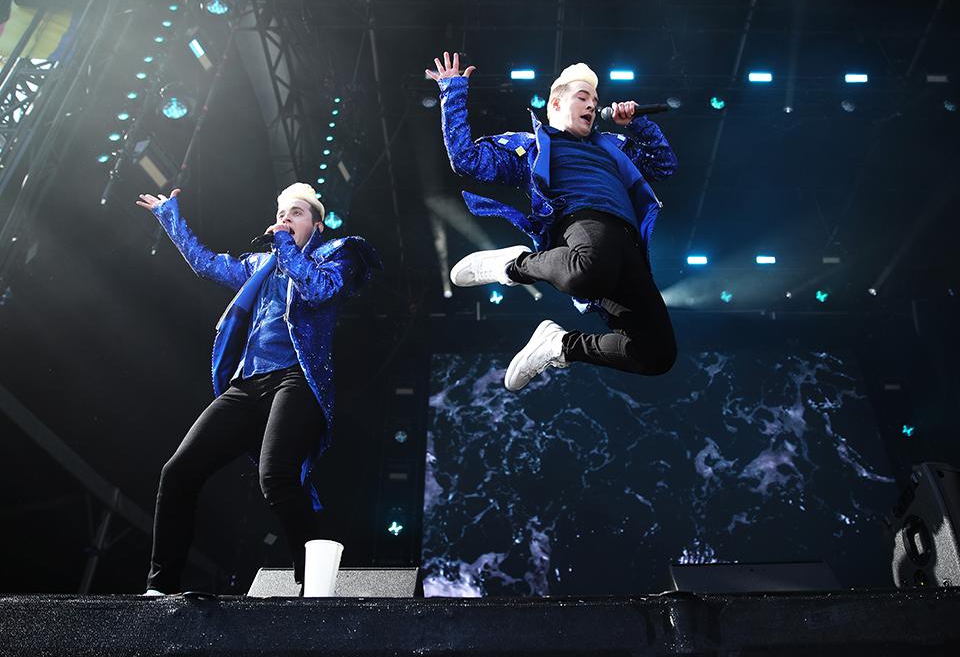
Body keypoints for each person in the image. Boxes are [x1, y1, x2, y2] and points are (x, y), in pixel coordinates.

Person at [134, 183, 381, 594]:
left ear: (317, 225)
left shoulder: (338, 255)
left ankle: (314, 583)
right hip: (248, 382)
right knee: (177, 473)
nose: (286, 218)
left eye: (297, 213)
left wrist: (284, 245)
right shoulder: (259, 265)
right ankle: (161, 586)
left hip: (297, 377)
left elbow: (316, 289)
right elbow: (206, 264)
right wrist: (169, 217)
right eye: (282, 212)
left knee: (276, 476)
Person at [427, 53, 679, 391]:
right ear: (556, 103)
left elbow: (664, 165)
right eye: (583, 97)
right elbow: (466, 159)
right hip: (582, 221)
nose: (592, 105)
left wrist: (638, 124)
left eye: (596, 101)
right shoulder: (531, 147)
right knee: (585, 272)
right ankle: (514, 266)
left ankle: (559, 345)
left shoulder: (614, 145)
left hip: (627, 246)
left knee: (656, 354)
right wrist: (453, 91)